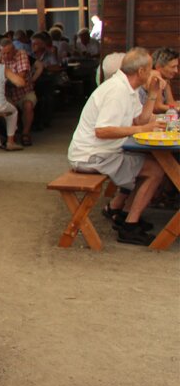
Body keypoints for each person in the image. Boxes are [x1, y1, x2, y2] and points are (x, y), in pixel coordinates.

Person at [68, 48, 166, 245]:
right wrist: (142, 129)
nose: (153, 72)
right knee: (155, 170)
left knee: (152, 164)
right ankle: (129, 226)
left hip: (102, 152)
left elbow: (140, 119)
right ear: (140, 72)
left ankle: (125, 215)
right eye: (150, 68)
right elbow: (102, 131)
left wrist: (153, 94)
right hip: (91, 155)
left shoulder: (129, 88)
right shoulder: (117, 91)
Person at [0, 38, 36, 146]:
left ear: (14, 50)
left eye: (8, 53)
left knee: (28, 105)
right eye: (3, 53)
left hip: (24, 91)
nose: (5, 56)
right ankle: (11, 134)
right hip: (7, 93)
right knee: (2, 109)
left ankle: (25, 133)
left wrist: (6, 76)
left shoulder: (21, 54)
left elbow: (21, 78)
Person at [141, 48, 177, 113]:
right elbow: (157, 107)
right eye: (173, 67)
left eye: (177, 67)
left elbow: (171, 103)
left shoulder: (165, 78)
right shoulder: (155, 75)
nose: (176, 71)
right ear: (158, 67)